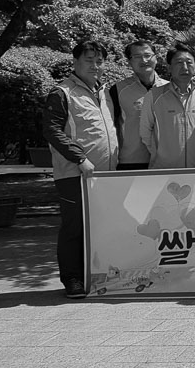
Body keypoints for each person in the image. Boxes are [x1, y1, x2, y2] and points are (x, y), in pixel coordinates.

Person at [41, 41, 119, 298]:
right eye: (89, 60)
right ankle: (72, 278)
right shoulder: (62, 93)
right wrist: (80, 158)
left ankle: (95, 275)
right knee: (74, 227)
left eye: (99, 61)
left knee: (100, 227)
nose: (95, 66)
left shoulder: (105, 92)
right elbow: (52, 130)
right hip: (75, 173)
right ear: (75, 62)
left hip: (105, 175)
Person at [139, 42, 195, 169]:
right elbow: (145, 132)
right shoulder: (154, 95)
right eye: (179, 62)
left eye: (189, 62)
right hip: (164, 169)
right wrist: (161, 153)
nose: (184, 67)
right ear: (169, 67)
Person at [110, 40, 167, 170]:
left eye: (147, 55)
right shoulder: (118, 90)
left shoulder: (169, 89)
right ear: (129, 62)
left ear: (156, 58)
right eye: (137, 56)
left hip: (165, 160)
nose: (144, 60)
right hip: (131, 161)